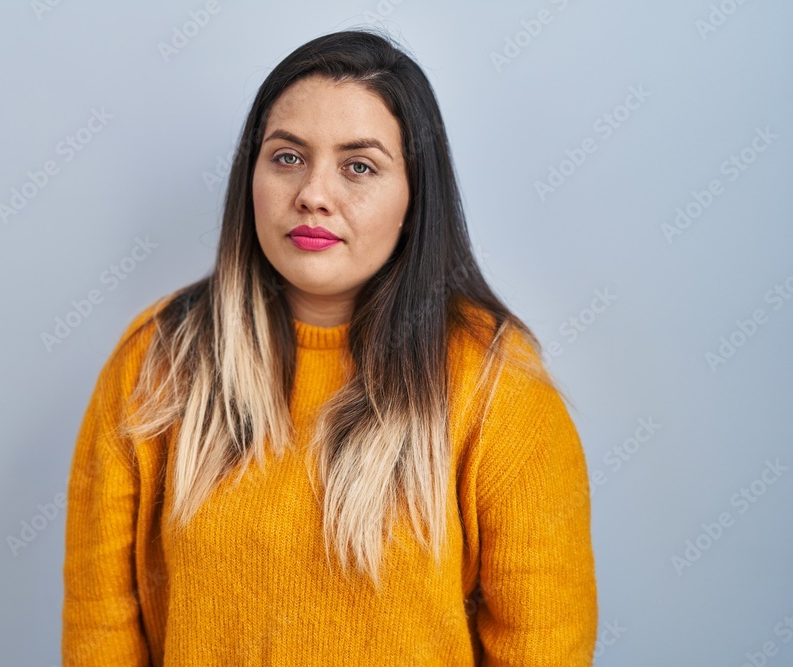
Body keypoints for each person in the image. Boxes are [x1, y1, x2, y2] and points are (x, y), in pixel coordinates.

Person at [62, 27, 598, 666]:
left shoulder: (498, 386)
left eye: (359, 166)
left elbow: (542, 648)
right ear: (250, 176)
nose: (313, 195)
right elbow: (99, 630)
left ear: (414, 198)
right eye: (287, 157)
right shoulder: (157, 360)